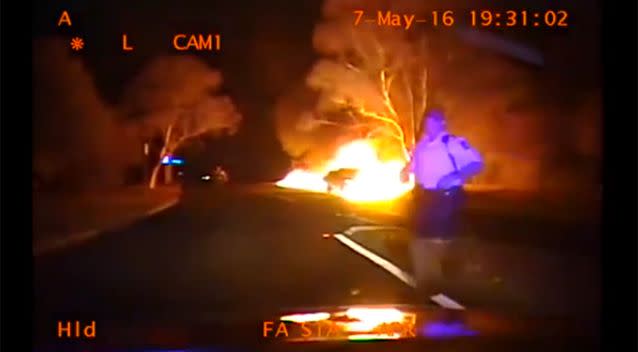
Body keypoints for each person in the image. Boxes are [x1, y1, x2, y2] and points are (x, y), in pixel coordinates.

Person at [400, 109, 484, 296]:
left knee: (440, 239)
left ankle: (449, 282)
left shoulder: (453, 143)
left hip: (447, 197)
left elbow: (477, 163)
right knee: (420, 239)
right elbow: (414, 165)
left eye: (434, 123)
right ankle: (428, 284)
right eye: (427, 123)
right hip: (424, 197)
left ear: (442, 124)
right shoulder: (421, 145)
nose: (430, 127)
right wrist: (405, 171)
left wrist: (455, 175)